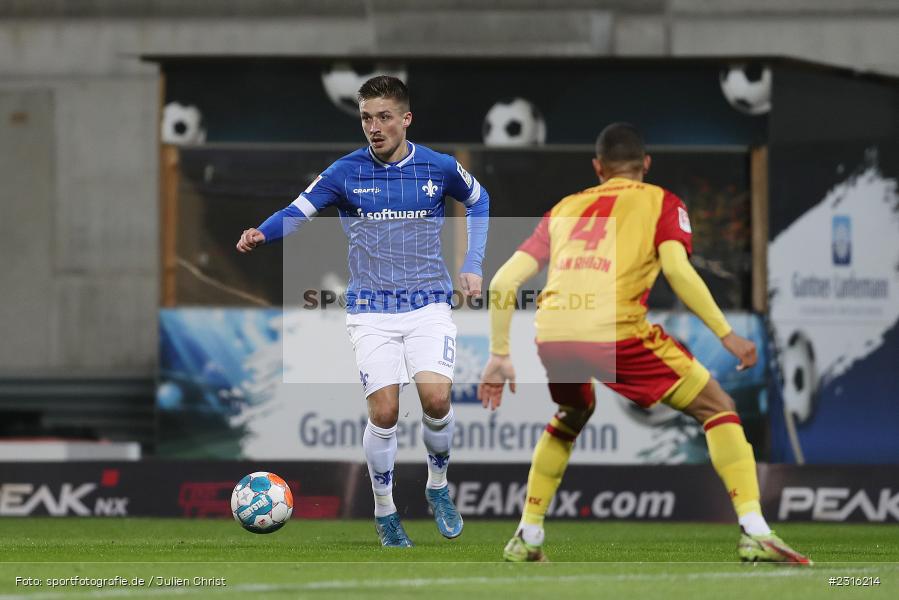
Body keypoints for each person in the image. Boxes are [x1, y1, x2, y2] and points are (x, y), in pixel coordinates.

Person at [478, 122, 810, 565]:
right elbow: (678, 271)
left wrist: (500, 354)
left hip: (553, 331)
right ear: (646, 165)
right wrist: (726, 335)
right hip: (614, 330)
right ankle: (755, 530)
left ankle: (527, 535)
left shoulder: (562, 210)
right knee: (718, 406)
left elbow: (502, 282)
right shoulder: (662, 202)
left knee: (572, 413)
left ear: (598, 168)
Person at [237, 75, 489, 547]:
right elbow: (297, 211)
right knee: (387, 412)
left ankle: (438, 487)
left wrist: (472, 263)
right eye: (366, 118)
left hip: (428, 304)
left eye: (384, 117)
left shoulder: (438, 167)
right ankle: (385, 511)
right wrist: (262, 233)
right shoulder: (344, 172)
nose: (374, 127)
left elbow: (479, 200)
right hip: (371, 311)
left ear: (405, 119)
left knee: (436, 400)